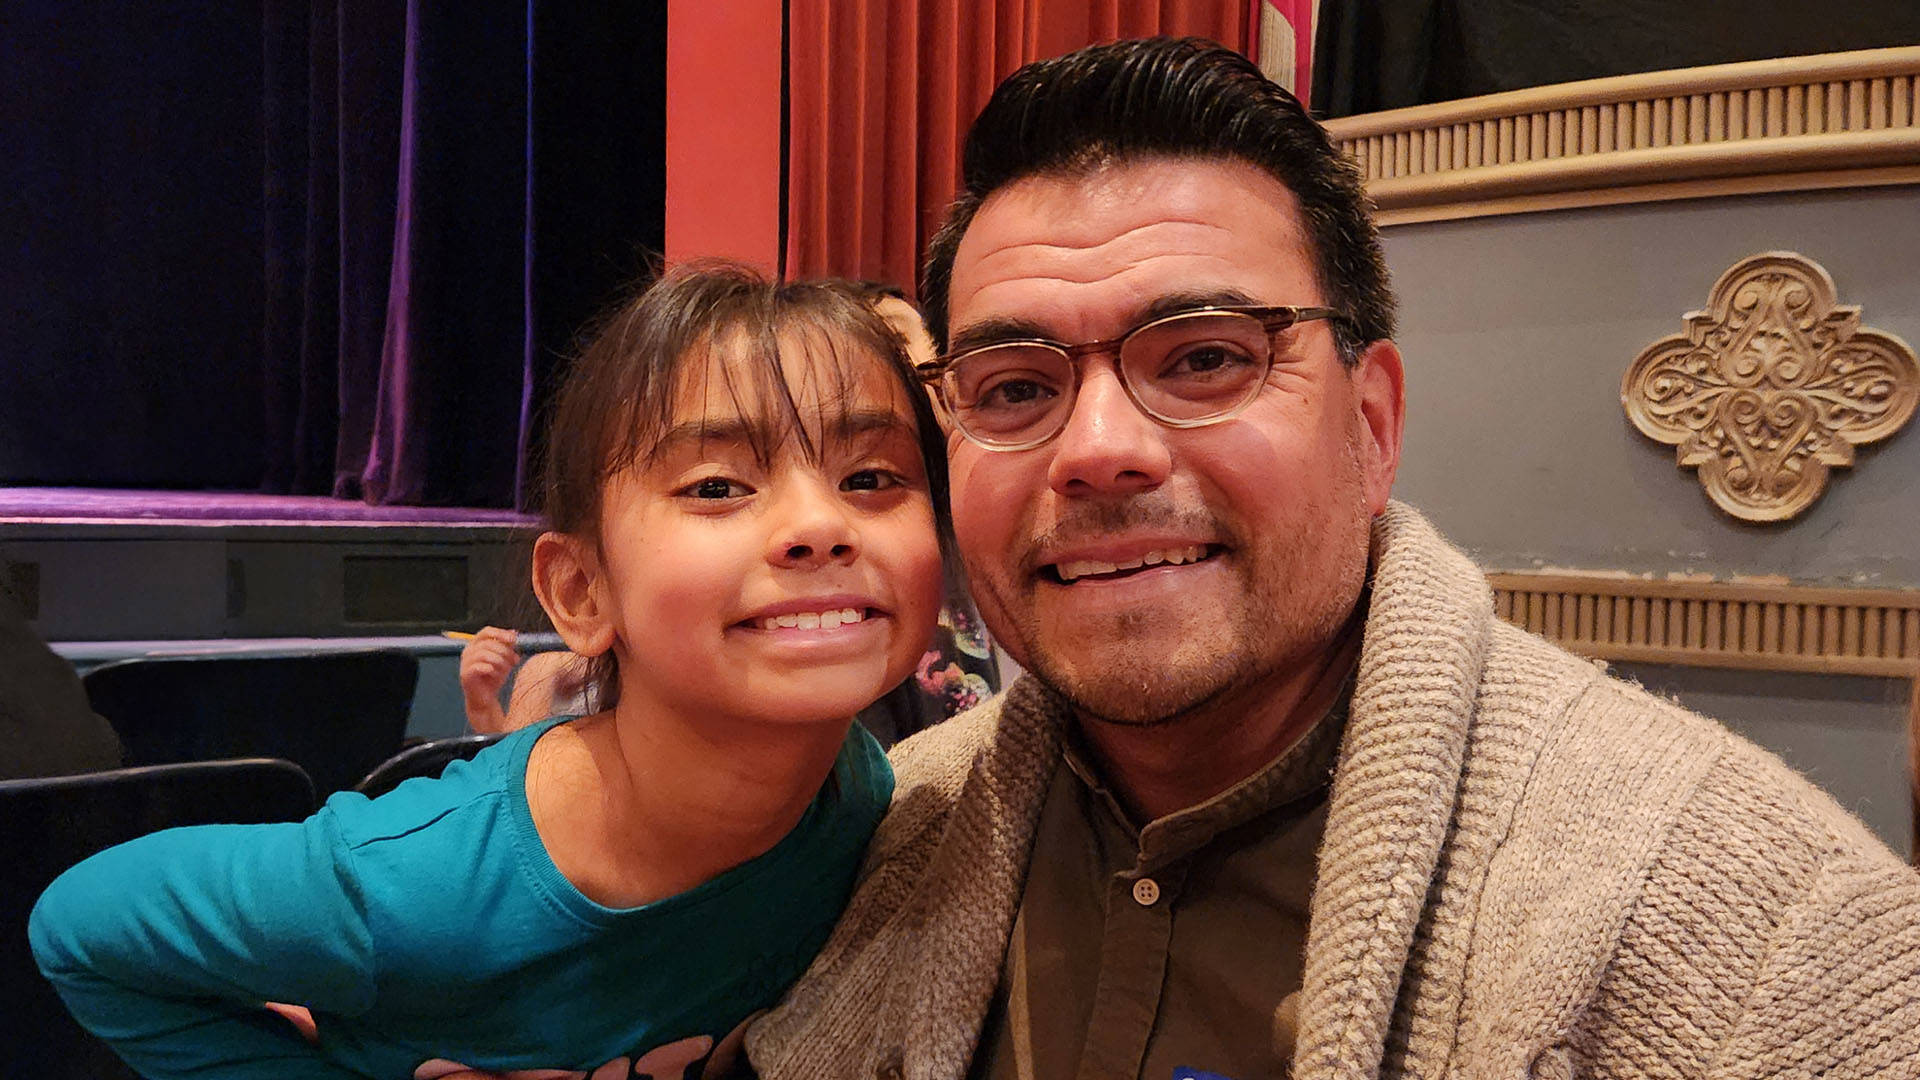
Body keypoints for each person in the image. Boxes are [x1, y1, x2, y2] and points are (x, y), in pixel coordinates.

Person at [734, 38, 1920, 1080]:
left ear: (1373, 423)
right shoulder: (881, 838)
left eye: (1204, 358)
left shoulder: (1758, 937)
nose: (1097, 450)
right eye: (1015, 387)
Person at [29, 264, 950, 1079]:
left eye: (871, 477)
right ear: (582, 592)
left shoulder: (862, 801)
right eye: (717, 485)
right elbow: (81, 930)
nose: (822, 524)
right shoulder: (413, 886)